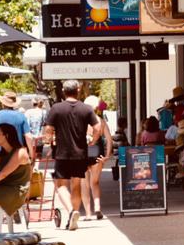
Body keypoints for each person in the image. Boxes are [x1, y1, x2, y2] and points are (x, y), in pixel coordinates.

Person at [43, 80, 100, 230]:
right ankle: (73, 214)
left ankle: (71, 211)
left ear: (63, 91)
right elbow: (98, 127)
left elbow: (48, 129)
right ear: (78, 90)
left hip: (62, 153)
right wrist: (93, 140)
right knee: (76, 185)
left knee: (60, 185)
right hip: (80, 153)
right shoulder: (86, 109)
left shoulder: (56, 108)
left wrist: (48, 141)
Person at [80, 96, 113, 221]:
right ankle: (98, 209)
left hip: (82, 154)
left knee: (84, 184)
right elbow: (109, 140)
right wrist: (106, 156)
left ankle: (88, 214)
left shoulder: (81, 121)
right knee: (95, 182)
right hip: (97, 153)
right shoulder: (101, 121)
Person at [0, 90, 35, 160]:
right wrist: (31, 155)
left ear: (2, 103)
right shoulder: (21, 116)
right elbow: (29, 137)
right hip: (17, 155)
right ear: (14, 104)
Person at [111, 117, 129, 181]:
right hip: (120, 153)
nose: (127, 124)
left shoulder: (117, 132)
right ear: (123, 124)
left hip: (117, 153)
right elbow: (121, 144)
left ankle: (119, 176)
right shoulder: (120, 133)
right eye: (126, 123)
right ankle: (120, 177)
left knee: (119, 164)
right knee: (121, 166)